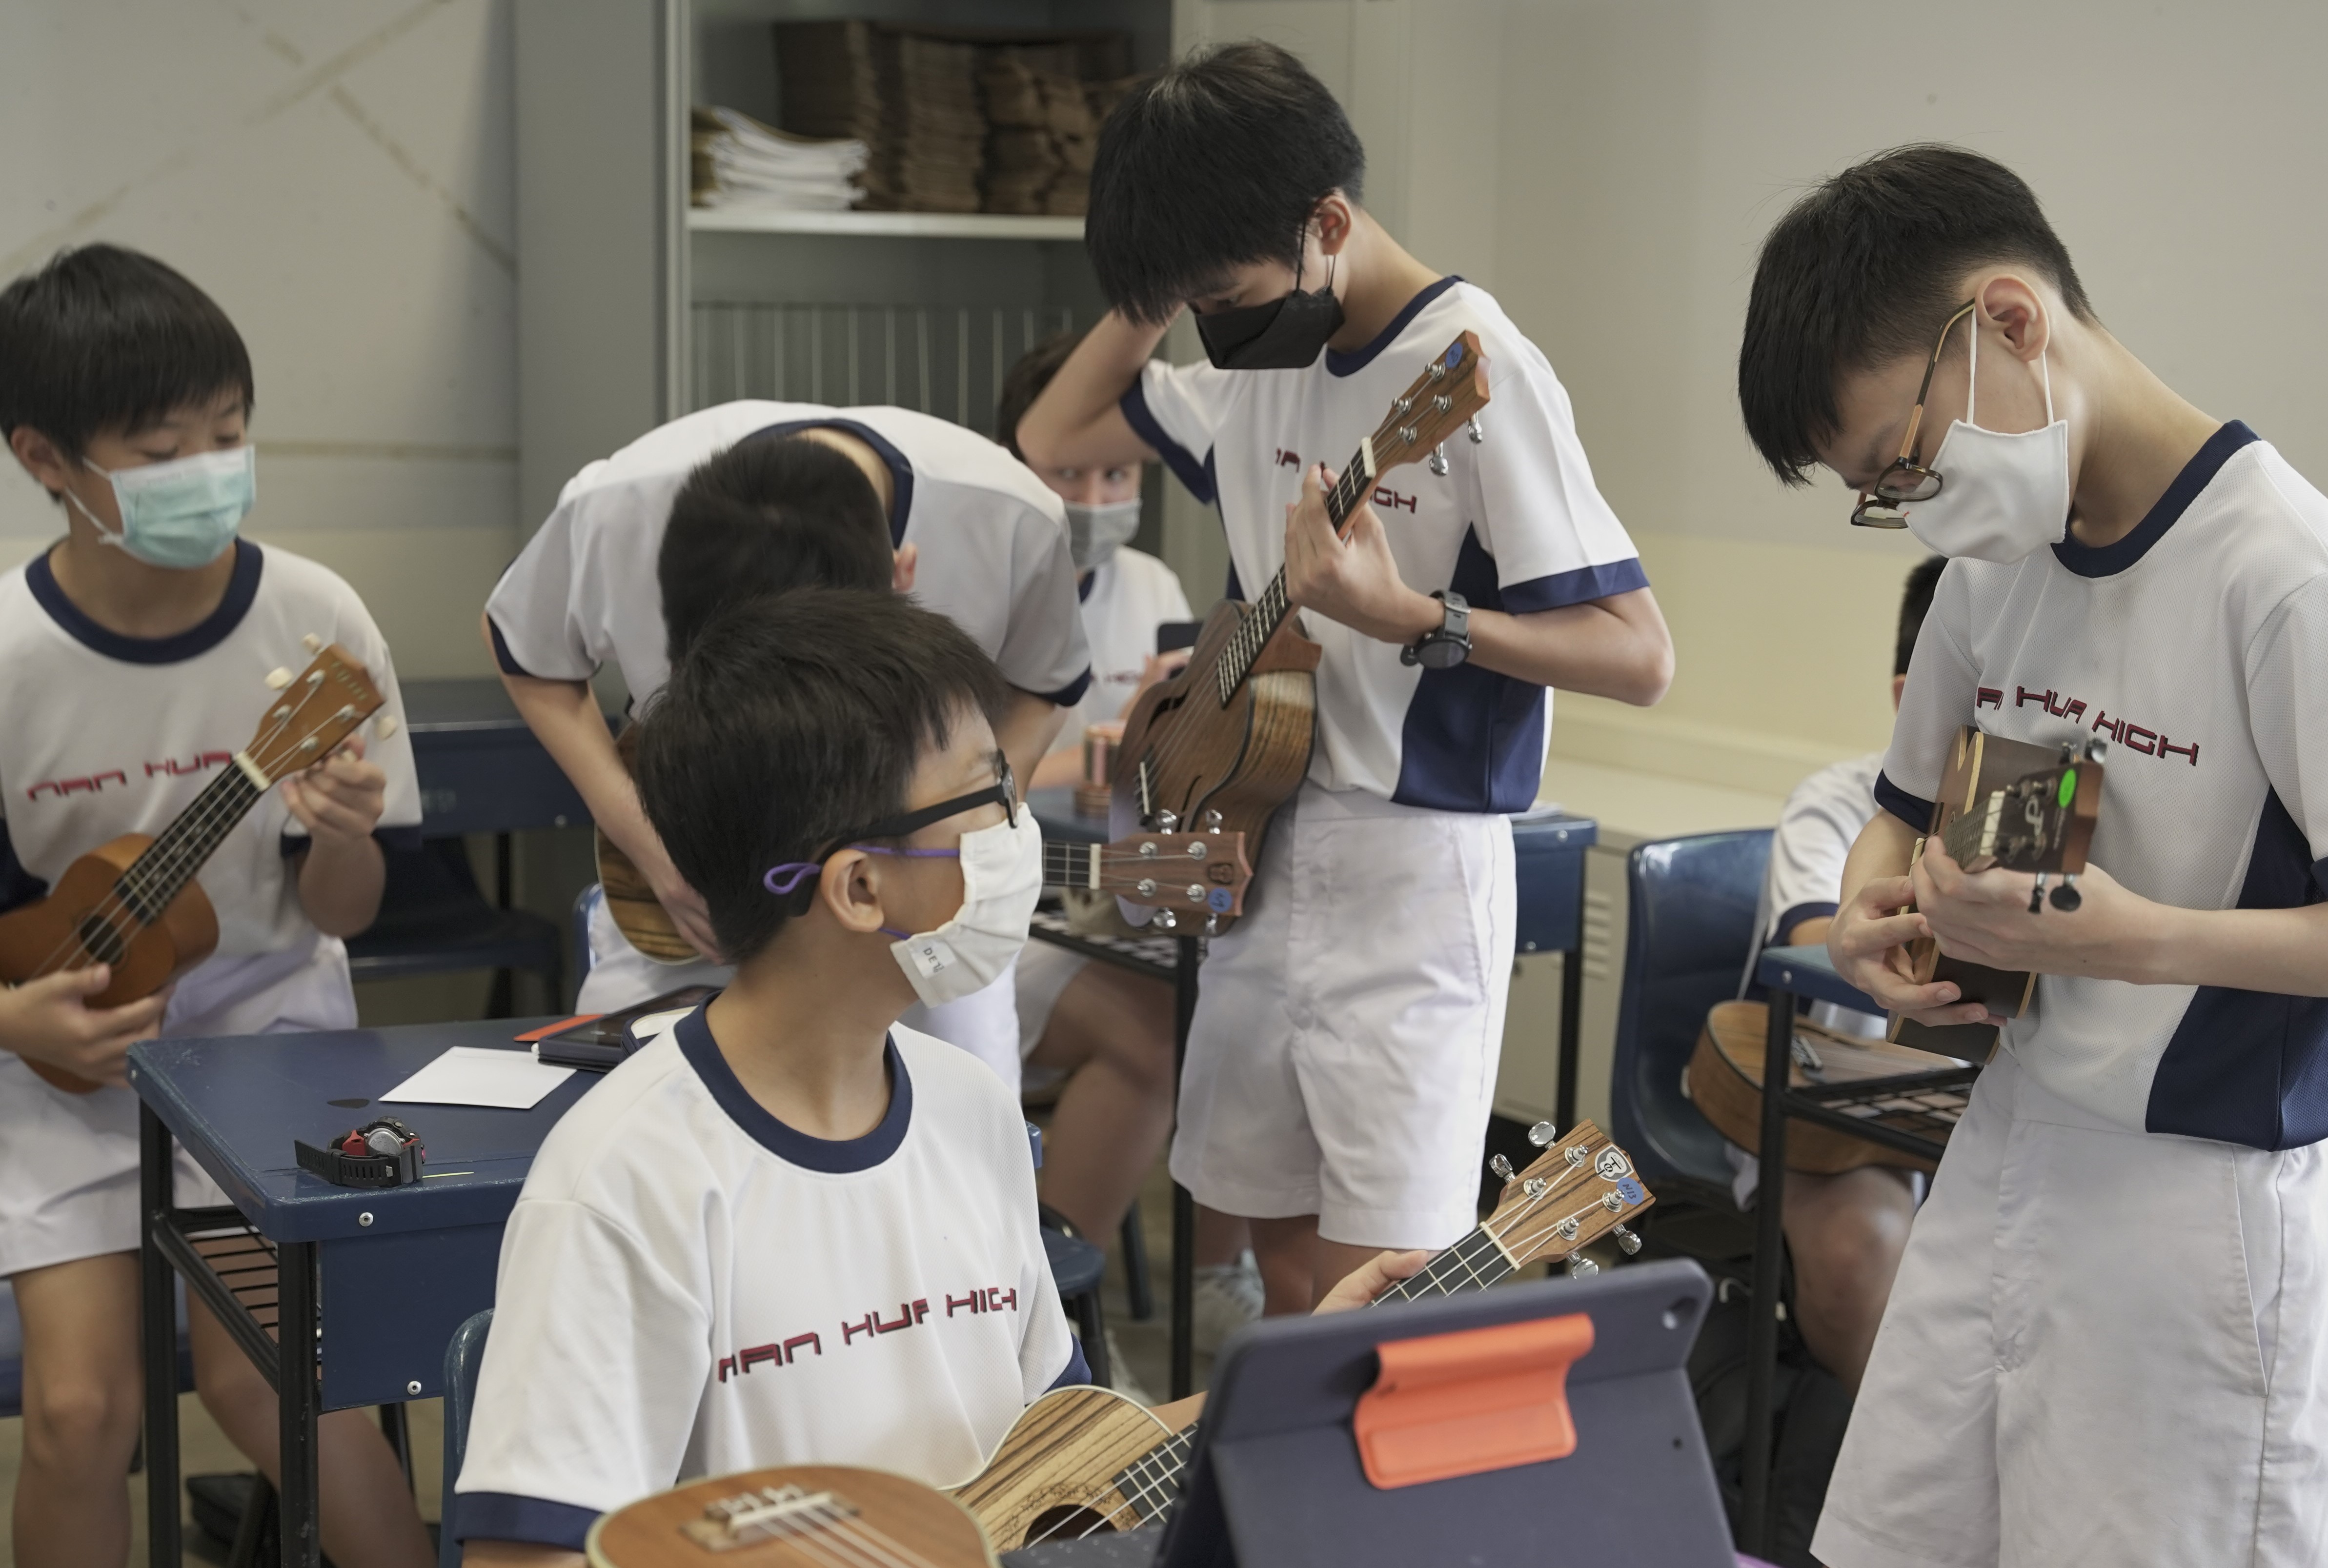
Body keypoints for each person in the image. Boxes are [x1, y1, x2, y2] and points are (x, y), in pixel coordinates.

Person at [449, 590, 1425, 1566]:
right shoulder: (625, 1179)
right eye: (987, 795)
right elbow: (523, 1557)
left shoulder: (969, 1109)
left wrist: (1291, 1374)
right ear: (860, 887)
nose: (1018, 830)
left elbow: (1062, 1471)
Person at [1739, 145, 2328, 1567]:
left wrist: (2122, 936)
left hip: (2198, 1206)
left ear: (2007, 321)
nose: (1914, 500)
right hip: (2003, 1148)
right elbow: (1896, 799)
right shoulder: (1986, 566)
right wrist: (1863, 910)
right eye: (1878, 490)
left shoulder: (2284, 573)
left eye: (1904, 459)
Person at [1018, 43, 1674, 1315]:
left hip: (1412, 877)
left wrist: (1411, 615)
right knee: (1268, 1242)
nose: (1215, 323)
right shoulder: (1256, 360)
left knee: (1376, 1284)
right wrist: (1157, 281)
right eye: (1191, 299)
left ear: (1326, 223)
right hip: (1253, 835)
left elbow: (1638, 654)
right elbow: (1052, 434)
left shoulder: (1475, 363)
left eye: (1225, 287)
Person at [0, 244, 431, 1568]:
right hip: (59, 1052)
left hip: (267, 1048)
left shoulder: (314, 623)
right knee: (79, 1410)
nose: (208, 467)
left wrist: (345, 831)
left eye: (229, 433)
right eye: (161, 443)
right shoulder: (9, 657)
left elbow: (343, 909)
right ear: (46, 461)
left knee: (275, 1379)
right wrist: (15, 1014)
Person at [483, 402, 1093, 1090]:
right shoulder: (614, 511)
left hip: (916, 896)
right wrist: (650, 843)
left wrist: (952, 840)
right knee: (631, 1098)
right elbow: (530, 652)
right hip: (699, 877)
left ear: (903, 576)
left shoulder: (1008, 518)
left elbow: (1048, 681)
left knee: (958, 1115)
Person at [994, 335, 1264, 1352]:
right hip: (995, 915)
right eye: (1070, 470)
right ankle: (1061, 1326)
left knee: (1240, 991)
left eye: (1119, 472)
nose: (1098, 494)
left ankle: (1222, 1270)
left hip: (1110, 892)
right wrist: (1080, 771)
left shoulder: (1150, 586)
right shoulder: (969, 592)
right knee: (1153, 1030)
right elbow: (948, 793)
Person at [1720, 554, 1943, 1399]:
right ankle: (1885, 1497)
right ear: (1906, 701)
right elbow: (1821, 938)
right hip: (1833, 1119)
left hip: (1981, 1124)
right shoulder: (1837, 803)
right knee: (1860, 1248)